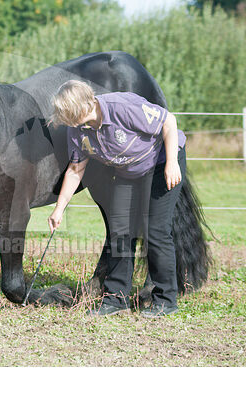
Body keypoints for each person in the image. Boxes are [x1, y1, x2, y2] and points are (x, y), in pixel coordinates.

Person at [47, 80, 187, 317]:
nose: (65, 121)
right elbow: (75, 169)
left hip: (161, 164)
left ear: (80, 107)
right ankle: (115, 299)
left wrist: (172, 162)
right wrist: (59, 209)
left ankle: (165, 299)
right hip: (128, 172)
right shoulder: (78, 129)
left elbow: (168, 122)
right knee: (120, 231)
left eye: (67, 114)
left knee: (156, 231)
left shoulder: (121, 107)